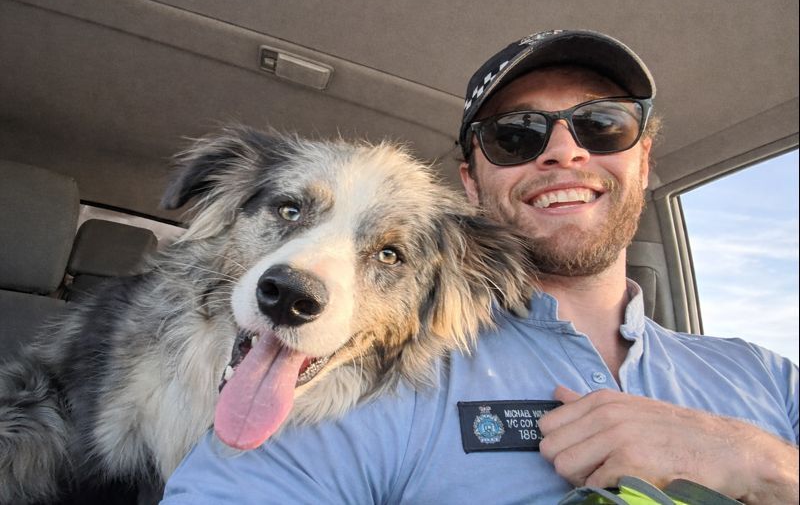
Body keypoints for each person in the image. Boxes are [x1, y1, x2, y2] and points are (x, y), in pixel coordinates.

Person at [160, 30, 798, 504]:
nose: (564, 152)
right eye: (515, 134)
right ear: (470, 181)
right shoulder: (378, 373)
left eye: (602, 125)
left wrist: (762, 464)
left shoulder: (767, 377)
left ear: (644, 159)